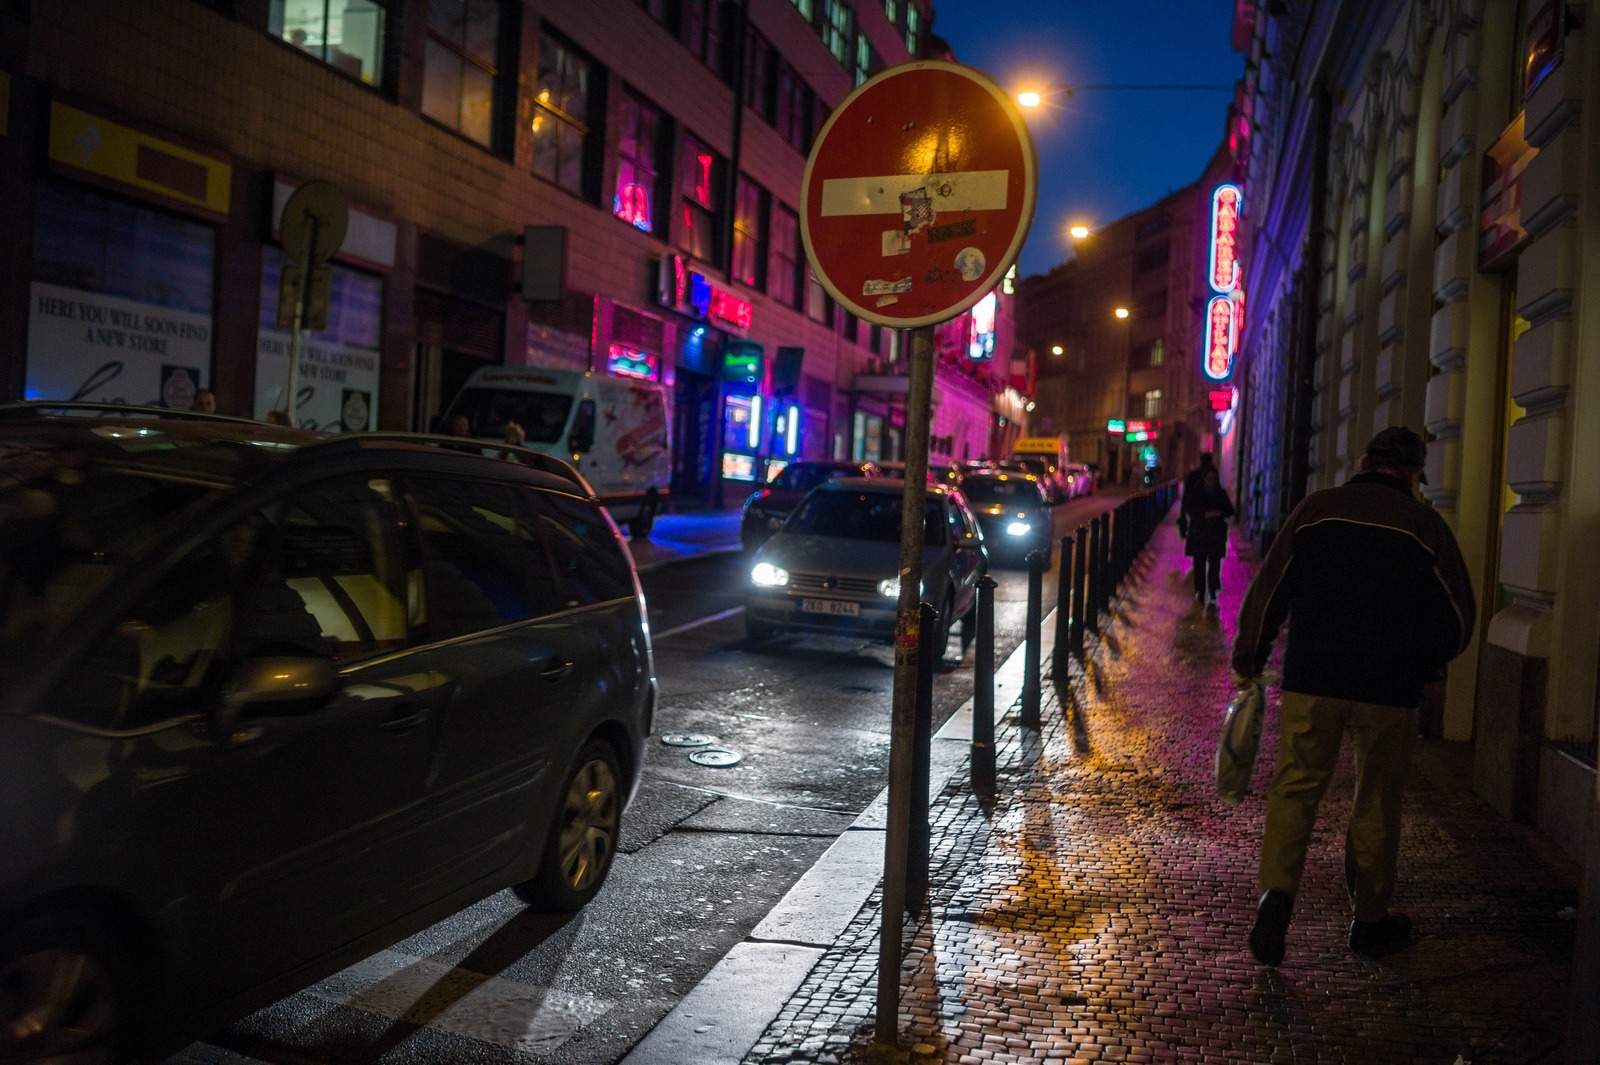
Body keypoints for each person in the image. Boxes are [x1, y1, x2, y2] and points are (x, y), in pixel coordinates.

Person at [1231, 426, 1476, 966]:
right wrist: (1425, 663)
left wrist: (1250, 655)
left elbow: (1270, 587)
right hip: (1388, 689)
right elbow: (1459, 615)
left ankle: (1276, 897)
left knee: (1295, 789)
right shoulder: (1425, 526)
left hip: (1312, 679)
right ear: (1414, 473)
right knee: (1377, 799)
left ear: (1363, 461)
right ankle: (1368, 919)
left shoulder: (1317, 510)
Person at [1183, 465, 1234, 607]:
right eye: (1209, 478)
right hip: (1200, 533)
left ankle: (1212, 591)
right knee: (1199, 563)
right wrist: (1204, 515)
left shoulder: (1220, 493)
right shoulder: (1196, 492)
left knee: (1214, 564)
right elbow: (1189, 509)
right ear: (1204, 479)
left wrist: (1219, 513)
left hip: (1215, 535)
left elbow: (1230, 510)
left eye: (1214, 479)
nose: (1211, 481)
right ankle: (1200, 591)